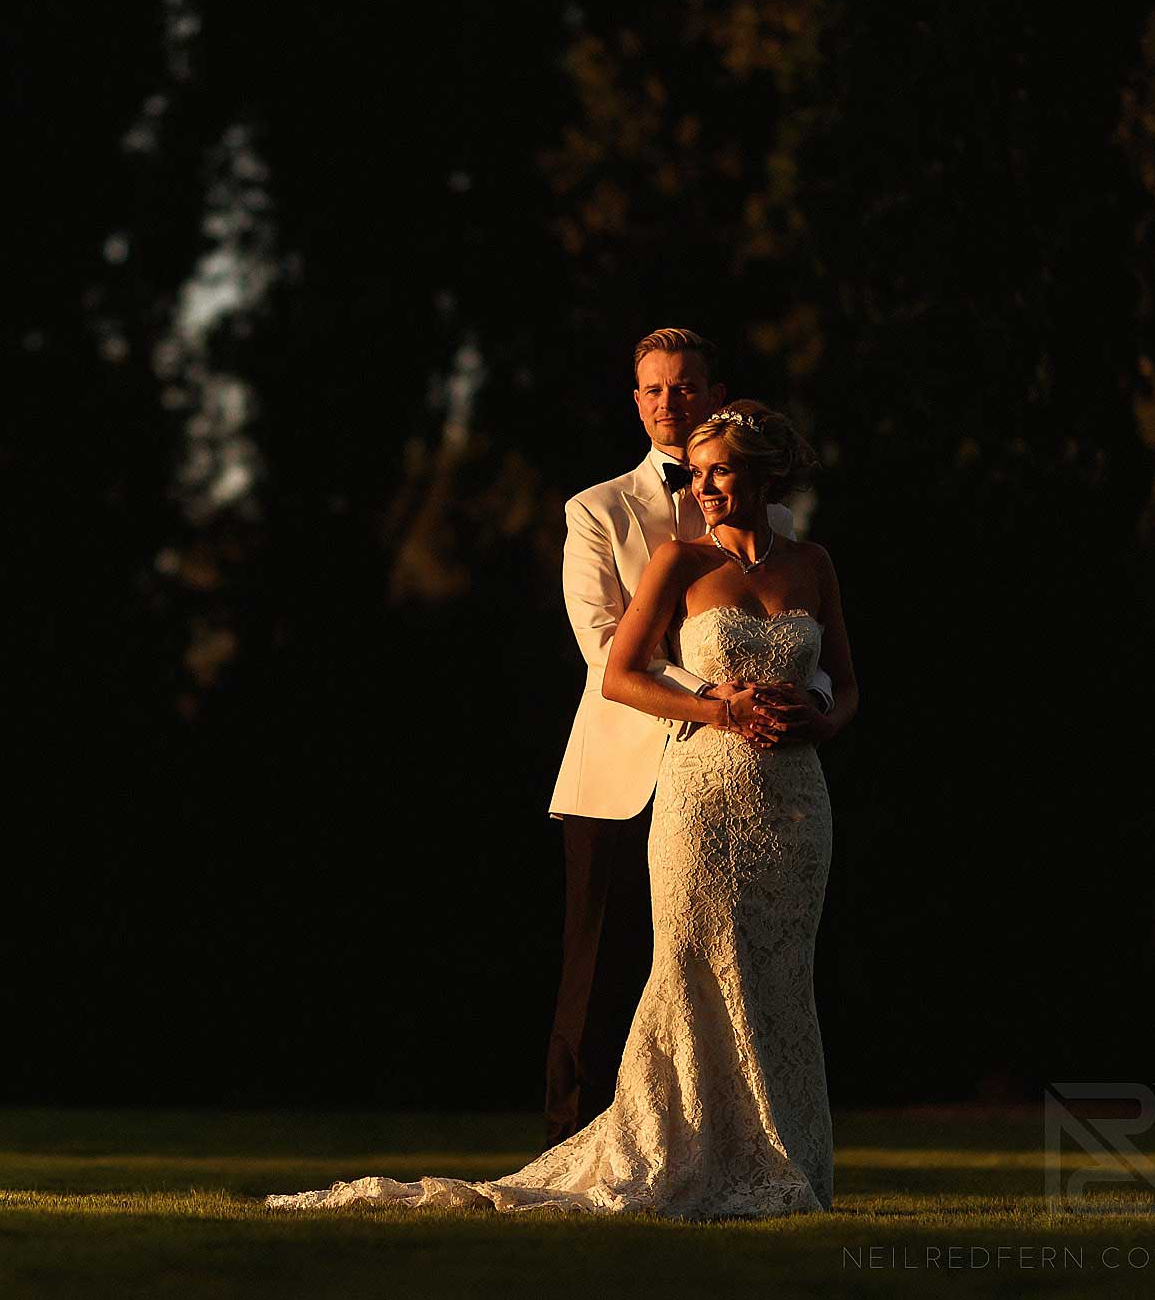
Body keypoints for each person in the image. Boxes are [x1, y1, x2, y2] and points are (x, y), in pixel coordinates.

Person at [263, 402, 857, 1217]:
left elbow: (846, 684)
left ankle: (779, 1157)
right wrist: (718, 708)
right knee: (691, 964)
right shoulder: (679, 562)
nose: (706, 487)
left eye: (721, 470)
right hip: (703, 796)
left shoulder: (813, 563)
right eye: (697, 472)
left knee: (782, 974)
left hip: (795, 804)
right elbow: (620, 674)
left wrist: (820, 720)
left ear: (763, 474)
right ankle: (680, 1151)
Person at [543, 329, 831, 1148]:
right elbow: (604, 645)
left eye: (684, 387)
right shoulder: (596, 509)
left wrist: (803, 699)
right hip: (624, 773)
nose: (668, 401)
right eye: (653, 389)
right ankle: (578, 1148)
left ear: (715, 396)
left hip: (751, 778)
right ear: (636, 402)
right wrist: (713, 696)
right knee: (598, 980)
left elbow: (804, 639)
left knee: (734, 970)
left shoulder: (780, 524)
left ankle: (719, 1146)